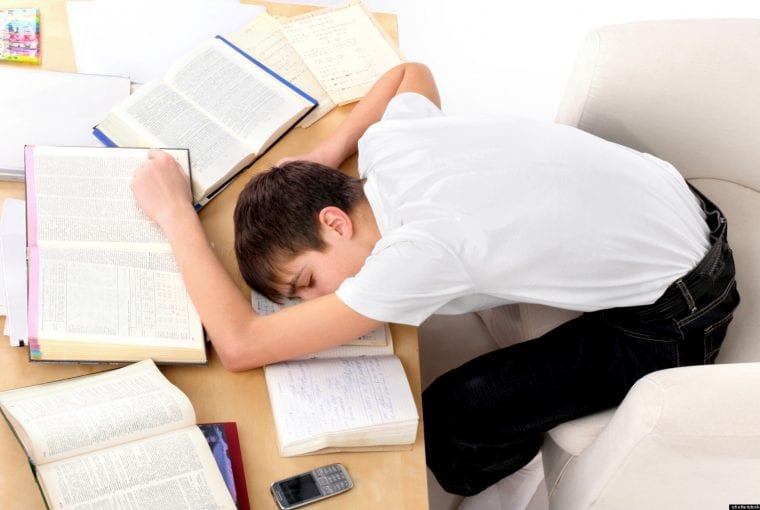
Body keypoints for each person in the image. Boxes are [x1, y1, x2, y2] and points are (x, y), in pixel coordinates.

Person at [131, 62, 740, 497]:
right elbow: (409, 73)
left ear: (335, 221)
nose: (321, 300)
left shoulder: (417, 253)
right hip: (682, 204)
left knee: (455, 416)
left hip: (686, 307)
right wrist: (326, 152)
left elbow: (240, 346)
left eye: (306, 281)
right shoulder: (392, 145)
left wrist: (175, 215)